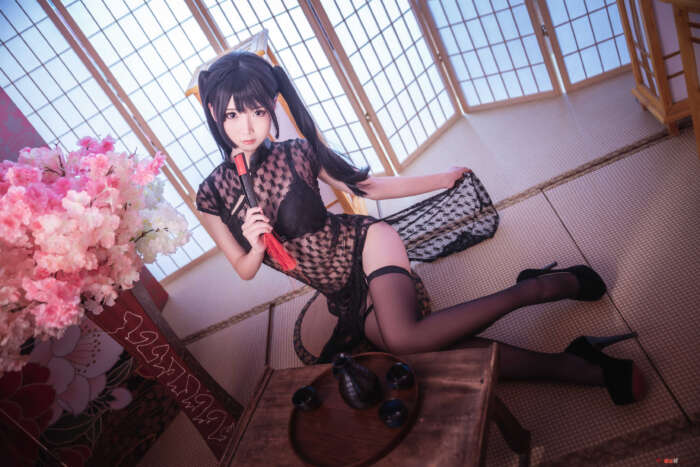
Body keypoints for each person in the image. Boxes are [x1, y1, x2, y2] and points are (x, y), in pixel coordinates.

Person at [195, 51, 646, 406]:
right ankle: (573, 362)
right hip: (342, 292)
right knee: (420, 350)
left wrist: (440, 179)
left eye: (256, 111)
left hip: (365, 245)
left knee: (404, 338)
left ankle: (539, 289)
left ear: (273, 106)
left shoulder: (297, 153)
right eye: (231, 115)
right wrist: (255, 246)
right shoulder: (211, 195)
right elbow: (244, 269)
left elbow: (367, 186)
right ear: (215, 114)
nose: (245, 126)